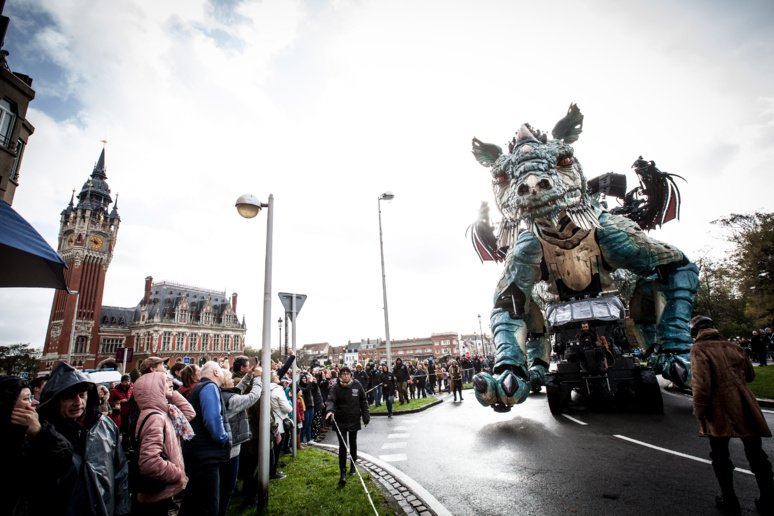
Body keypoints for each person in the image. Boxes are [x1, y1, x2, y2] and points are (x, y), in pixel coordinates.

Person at [690, 316, 774, 514]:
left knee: (720, 456)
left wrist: (700, 412)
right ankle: (768, 499)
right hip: (744, 402)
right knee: (757, 455)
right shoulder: (733, 346)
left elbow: (702, 385)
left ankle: (730, 499)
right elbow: (750, 376)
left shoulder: (699, 349)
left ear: (694, 332)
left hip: (718, 406)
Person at [37, 362, 130, 516]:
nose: (78, 403)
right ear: (55, 401)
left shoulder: (104, 425)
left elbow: (121, 472)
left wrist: (123, 509)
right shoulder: (44, 432)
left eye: (82, 395)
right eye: (69, 398)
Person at [1, 375, 73, 515]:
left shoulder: (34, 434)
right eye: (26, 398)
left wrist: (40, 432)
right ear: (8, 403)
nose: (34, 402)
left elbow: (63, 461)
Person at [132, 371, 195, 516]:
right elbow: (149, 462)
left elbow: (189, 413)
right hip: (157, 490)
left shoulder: (165, 412)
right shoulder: (155, 418)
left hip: (162, 489)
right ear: (155, 387)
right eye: (165, 381)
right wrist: (178, 474)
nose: (171, 383)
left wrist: (168, 392)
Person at [179, 361, 231, 516]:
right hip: (206, 456)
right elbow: (212, 419)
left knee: (193, 500)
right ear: (215, 373)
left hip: (198, 452)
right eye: (221, 370)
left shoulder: (200, 387)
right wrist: (223, 439)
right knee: (209, 505)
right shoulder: (209, 387)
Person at [219, 365, 261, 516]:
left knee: (226, 485)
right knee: (227, 488)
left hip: (231, 444)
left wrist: (249, 376)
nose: (233, 380)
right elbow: (253, 397)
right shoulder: (231, 401)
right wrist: (257, 378)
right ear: (223, 383)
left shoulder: (223, 394)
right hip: (231, 448)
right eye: (230, 379)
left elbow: (238, 388)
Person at [325, 365, 370, 485]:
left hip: (354, 418)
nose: (345, 376)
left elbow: (363, 401)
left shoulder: (357, 385)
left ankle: (353, 464)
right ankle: (343, 472)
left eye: (347, 374)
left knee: (353, 443)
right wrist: (330, 411)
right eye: (343, 374)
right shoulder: (336, 387)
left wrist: (366, 417)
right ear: (340, 375)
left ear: (351, 375)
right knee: (343, 445)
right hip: (340, 419)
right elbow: (331, 400)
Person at [269, 371, 293, 479]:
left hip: (271, 421)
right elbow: (286, 407)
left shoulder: (266, 389)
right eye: (276, 376)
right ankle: (273, 471)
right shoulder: (278, 390)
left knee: (272, 448)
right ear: (272, 379)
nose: (278, 377)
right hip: (279, 422)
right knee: (277, 449)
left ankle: (271, 470)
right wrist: (291, 407)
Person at [298, 372, 315, 445]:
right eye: (303, 378)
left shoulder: (308, 385)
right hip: (306, 408)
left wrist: (313, 381)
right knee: (305, 425)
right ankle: (301, 440)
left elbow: (314, 388)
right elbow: (306, 390)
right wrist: (310, 382)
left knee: (309, 424)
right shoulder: (300, 387)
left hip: (311, 406)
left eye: (305, 378)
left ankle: (309, 439)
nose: (304, 379)